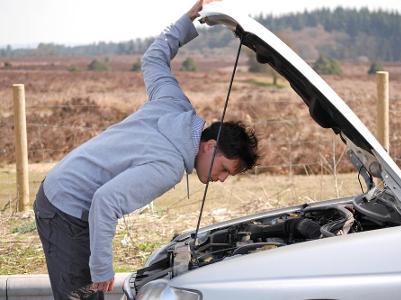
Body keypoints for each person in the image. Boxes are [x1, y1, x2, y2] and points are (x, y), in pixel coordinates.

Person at [33, 0, 259, 299]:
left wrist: (187, 18)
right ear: (210, 145)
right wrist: (102, 268)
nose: (221, 179)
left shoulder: (173, 104)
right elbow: (105, 202)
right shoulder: (167, 167)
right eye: (225, 169)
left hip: (65, 187)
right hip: (65, 207)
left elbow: (154, 58)